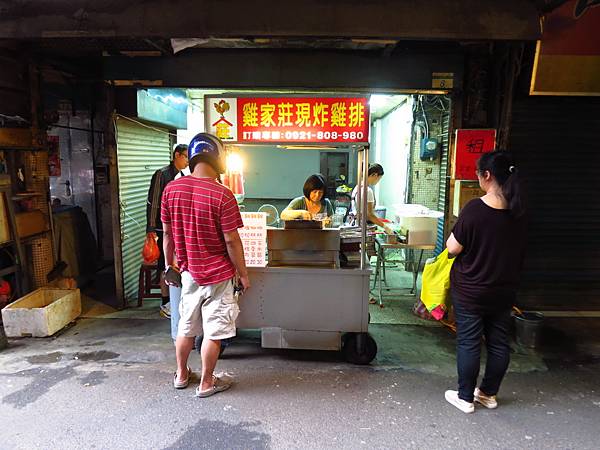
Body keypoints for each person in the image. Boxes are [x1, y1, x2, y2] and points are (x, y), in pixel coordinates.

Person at [161, 132, 249, 398]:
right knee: (213, 330)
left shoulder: (171, 190)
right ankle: (207, 382)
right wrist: (243, 275)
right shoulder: (223, 195)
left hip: (187, 274)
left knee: (185, 327)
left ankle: (181, 374)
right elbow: (232, 241)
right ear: (217, 159)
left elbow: (167, 235)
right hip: (219, 276)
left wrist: (170, 267)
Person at [444, 151, 527, 414]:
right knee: (498, 343)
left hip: (472, 290)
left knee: (469, 342)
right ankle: (489, 394)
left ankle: (466, 397)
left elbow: (452, 248)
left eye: (478, 174)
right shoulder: (520, 211)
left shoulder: (475, 210)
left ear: (487, 175)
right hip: (504, 290)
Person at [146, 144, 188, 318]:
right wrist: (151, 228)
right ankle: (165, 303)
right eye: (185, 156)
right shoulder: (162, 174)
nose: (187, 160)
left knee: (175, 263)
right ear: (176, 155)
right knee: (165, 263)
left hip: (177, 228)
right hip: (161, 227)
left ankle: (174, 299)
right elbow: (154, 201)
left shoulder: (183, 176)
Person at [350, 163, 393, 234]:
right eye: (379, 178)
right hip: (364, 227)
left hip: (356, 225)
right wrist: (385, 227)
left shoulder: (357, 187)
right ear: (375, 175)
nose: (378, 181)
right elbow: (369, 215)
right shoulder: (368, 190)